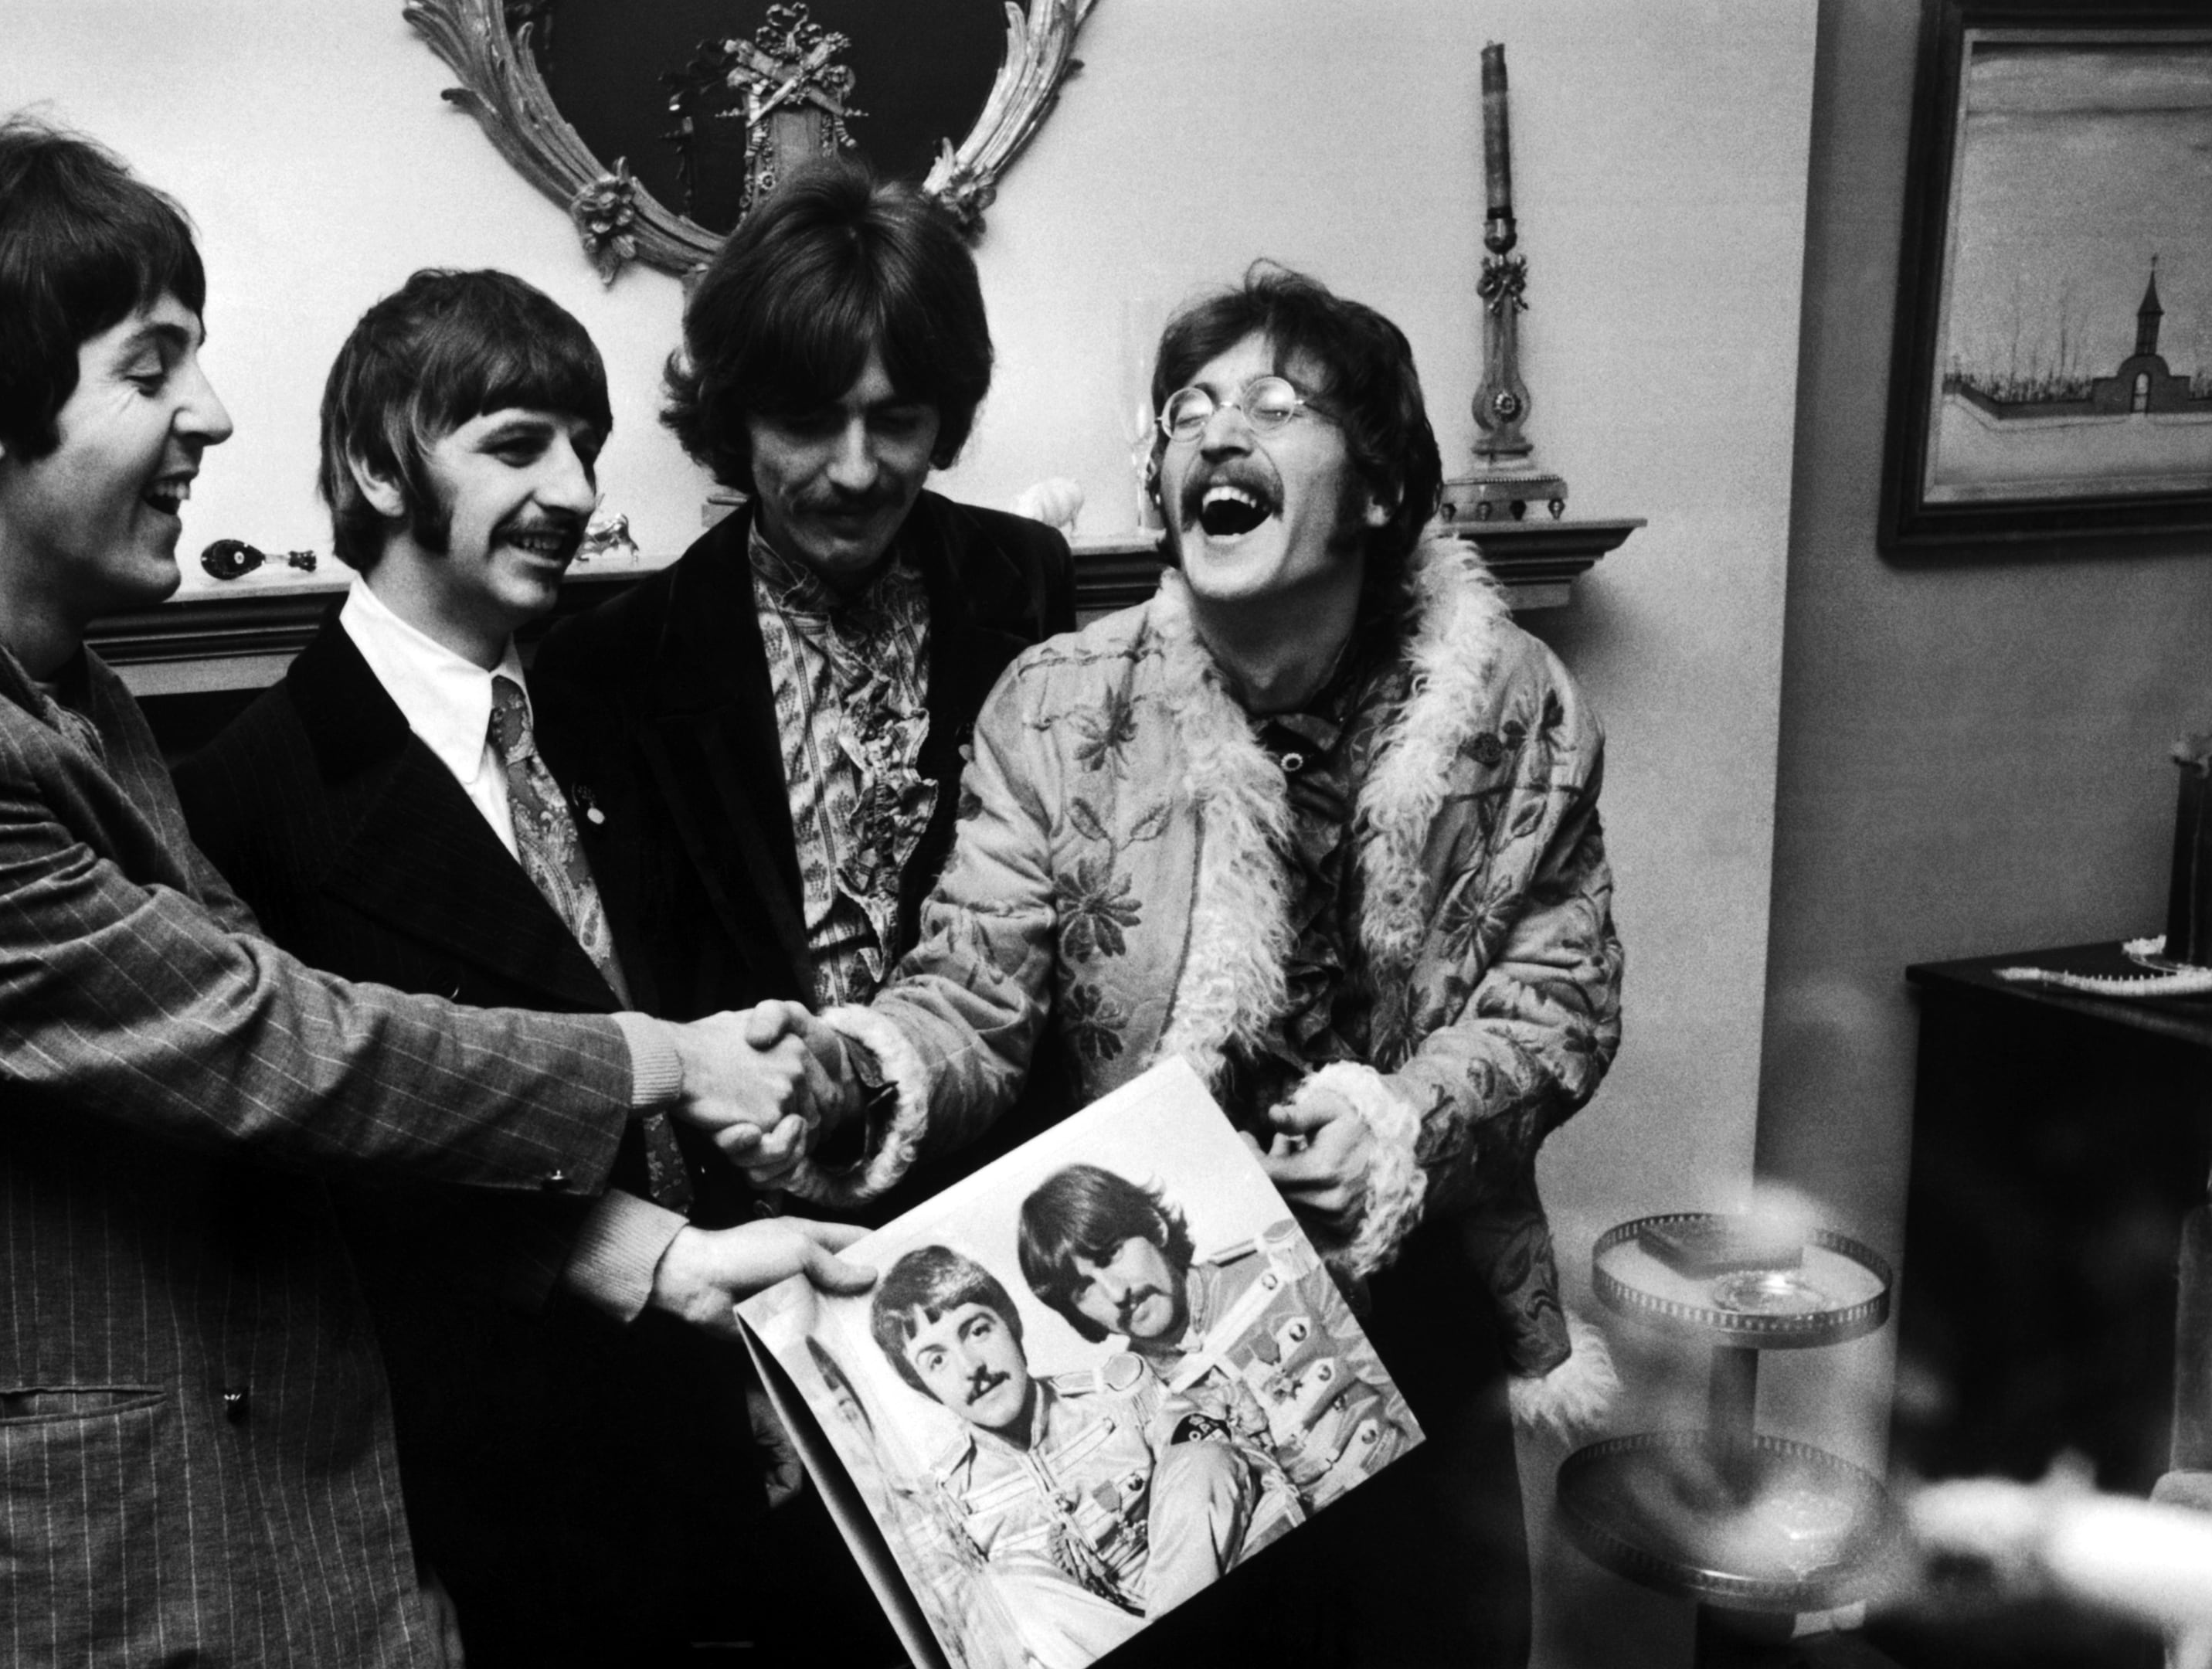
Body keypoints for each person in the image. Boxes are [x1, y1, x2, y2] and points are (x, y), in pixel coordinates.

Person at [0, 124, 817, 1669]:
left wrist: (647, 1259)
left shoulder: (70, 695)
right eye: (151, 372)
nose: (210, 415)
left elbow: (276, 1120)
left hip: (201, 1545)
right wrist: (656, 1054)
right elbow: (264, 1046)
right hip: (7, 1588)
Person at [783, 264, 1626, 1666]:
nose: (1216, 435)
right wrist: (861, 1065)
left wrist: (1398, 1124)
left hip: (1414, 1313)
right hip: (1141, 1342)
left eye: (1274, 405)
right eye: (1187, 412)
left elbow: (1563, 992)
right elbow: (970, 992)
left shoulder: (1511, 702)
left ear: (1372, 489)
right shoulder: (1054, 707)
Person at [171, 267, 871, 1665]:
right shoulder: (253, 793)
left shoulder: (602, 728)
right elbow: (322, 1167)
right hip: (486, 1525)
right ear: (376, 465)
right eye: (514, 445)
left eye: (586, 448)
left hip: (726, 1451)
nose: (572, 490)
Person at [532, 157, 1078, 1222]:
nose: (859, 468)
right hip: (751, 1219)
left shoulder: (1026, 581)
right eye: (810, 421)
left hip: (1003, 1187)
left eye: (899, 419)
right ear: (734, 419)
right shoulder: (607, 662)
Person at [867, 1245, 1252, 1669]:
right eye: (937, 1360)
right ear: (924, 1387)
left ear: (1011, 1325)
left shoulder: (1114, 1395)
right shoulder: (950, 1501)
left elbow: (1214, 1460)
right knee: (1000, 1590)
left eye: (977, 1331)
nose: (971, 1366)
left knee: (1202, 1457)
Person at [1015, 1163, 1405, 1538]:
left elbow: (1397, 1387)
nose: (1117, 1294)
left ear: (1153, 1229)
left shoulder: (1282, 1266)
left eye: (1111, 1255)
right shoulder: (1140, 1403)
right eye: (1084, 1289)